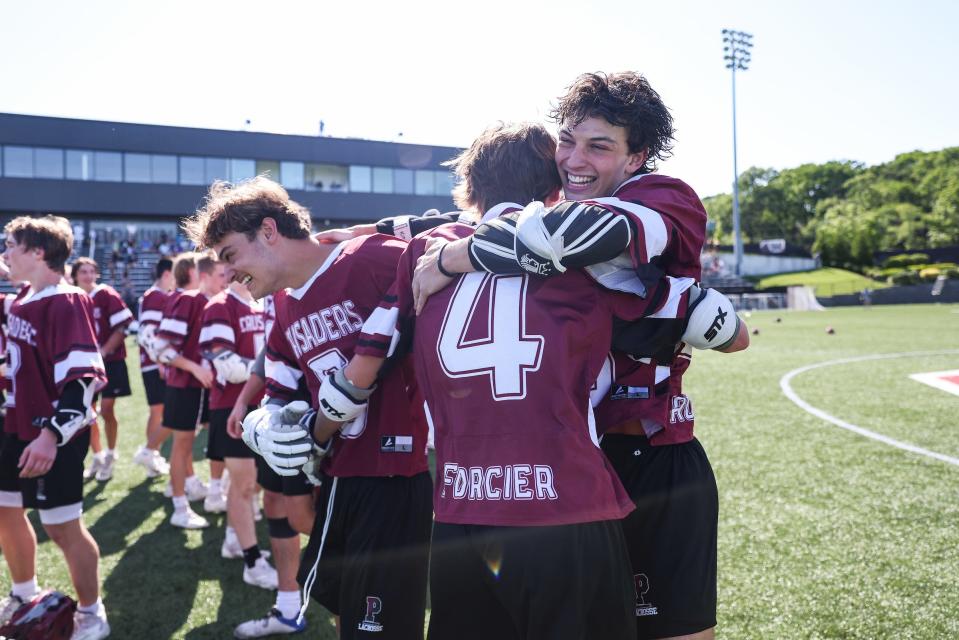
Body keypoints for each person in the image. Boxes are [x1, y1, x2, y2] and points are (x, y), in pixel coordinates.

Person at [321, 73, 748, 640]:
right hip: (578, 457)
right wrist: (390, 227)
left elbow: (574, 237)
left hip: (651, 450)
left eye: (599, 146)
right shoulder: (536, 215)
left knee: (673, 631)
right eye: (566, 140)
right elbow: (503, 222)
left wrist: (457, 255)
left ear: (636, 157)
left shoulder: (658, 196)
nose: (574, 158)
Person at [183, 176, 432, 640]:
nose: (230, 272)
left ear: (270, 231)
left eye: (232, 254)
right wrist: (266, 421)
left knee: (383, 627)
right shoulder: (283, 301)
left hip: (395, 473)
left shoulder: (373, 257)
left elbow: (455, 246)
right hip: (340, 475)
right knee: (343, 609)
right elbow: (278, 376)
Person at [0, 215, 111, 639]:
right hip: (15, 426)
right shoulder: (26, 296)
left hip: (54, 434)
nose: (6, 253)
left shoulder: (66, 300)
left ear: (38, 252)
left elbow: (83, 381)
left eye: (12, 244)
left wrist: (51, 435)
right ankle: (24, 594)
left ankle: (92, 613)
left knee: (62, 526)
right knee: (6, 511)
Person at [198, 279, 279, 589]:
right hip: (231, 405)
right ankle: (251, 561)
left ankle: (234, 539)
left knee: (250, 483)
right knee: (245, 485)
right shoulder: (219, 306)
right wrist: (274, 369)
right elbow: (227, 366)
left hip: (262, 405)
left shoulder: (261, 302)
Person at [153, 252, 225, 528]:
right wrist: (194, 368)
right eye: (221, 275)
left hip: (206, 384)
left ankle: (194, 485)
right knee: (182, 444)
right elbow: (161, 348)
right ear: (202, 275)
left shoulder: (215, 301)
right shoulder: (188, 299)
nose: (226, 280)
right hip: (185, 385)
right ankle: (179, 506)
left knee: (197, 439)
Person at [71, 258, 134, 482]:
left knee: (107, 409)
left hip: (110, 361)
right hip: (84, 363)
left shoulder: (105, 294)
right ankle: (97, 455)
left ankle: (110, 453)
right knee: (88, 413)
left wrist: (105, 351)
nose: (88, 276)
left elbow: (123, 326)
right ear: (75, 275)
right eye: (83, 272)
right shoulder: (71, 297)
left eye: (91, 271)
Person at [132, 257, 175, 478]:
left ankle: (152, 455)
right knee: (162, 412)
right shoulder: (155, 296)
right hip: (156, 364)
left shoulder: (158, 296)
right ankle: (150, 453)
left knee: (160, 412)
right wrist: (160, 361)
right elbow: (148, 334)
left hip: (157, 362)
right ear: (167, 274)